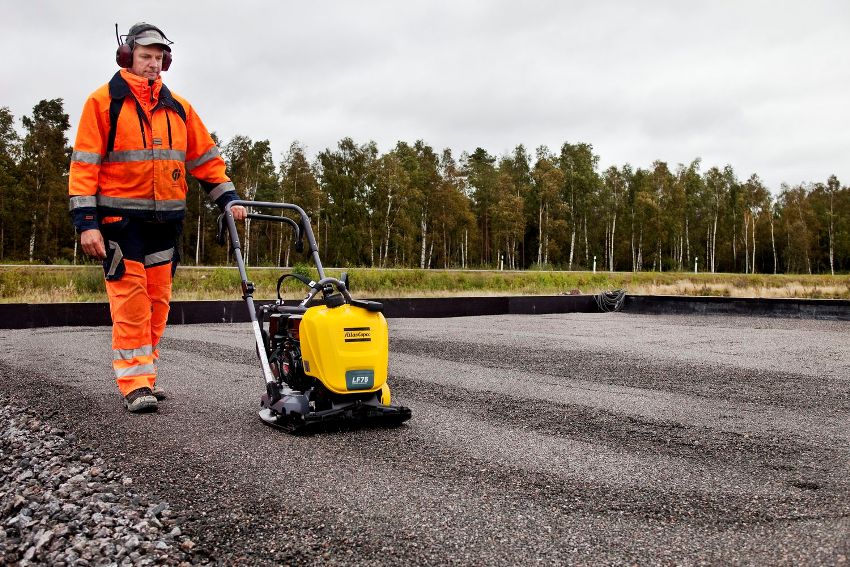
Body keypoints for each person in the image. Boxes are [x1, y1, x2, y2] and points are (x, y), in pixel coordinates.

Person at [68, 22, 246, 413]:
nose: (152, 64)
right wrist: (86, 224)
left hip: (165, 223)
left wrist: (228, 198)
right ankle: (133, 383)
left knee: (157, 302)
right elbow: (84, 166)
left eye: (158, 57)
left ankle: (146, 376)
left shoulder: (179, 108)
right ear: (128, 55)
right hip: (119, 223)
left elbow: (205, 159)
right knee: (130, 302)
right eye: (145, 56)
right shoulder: (102, 103)